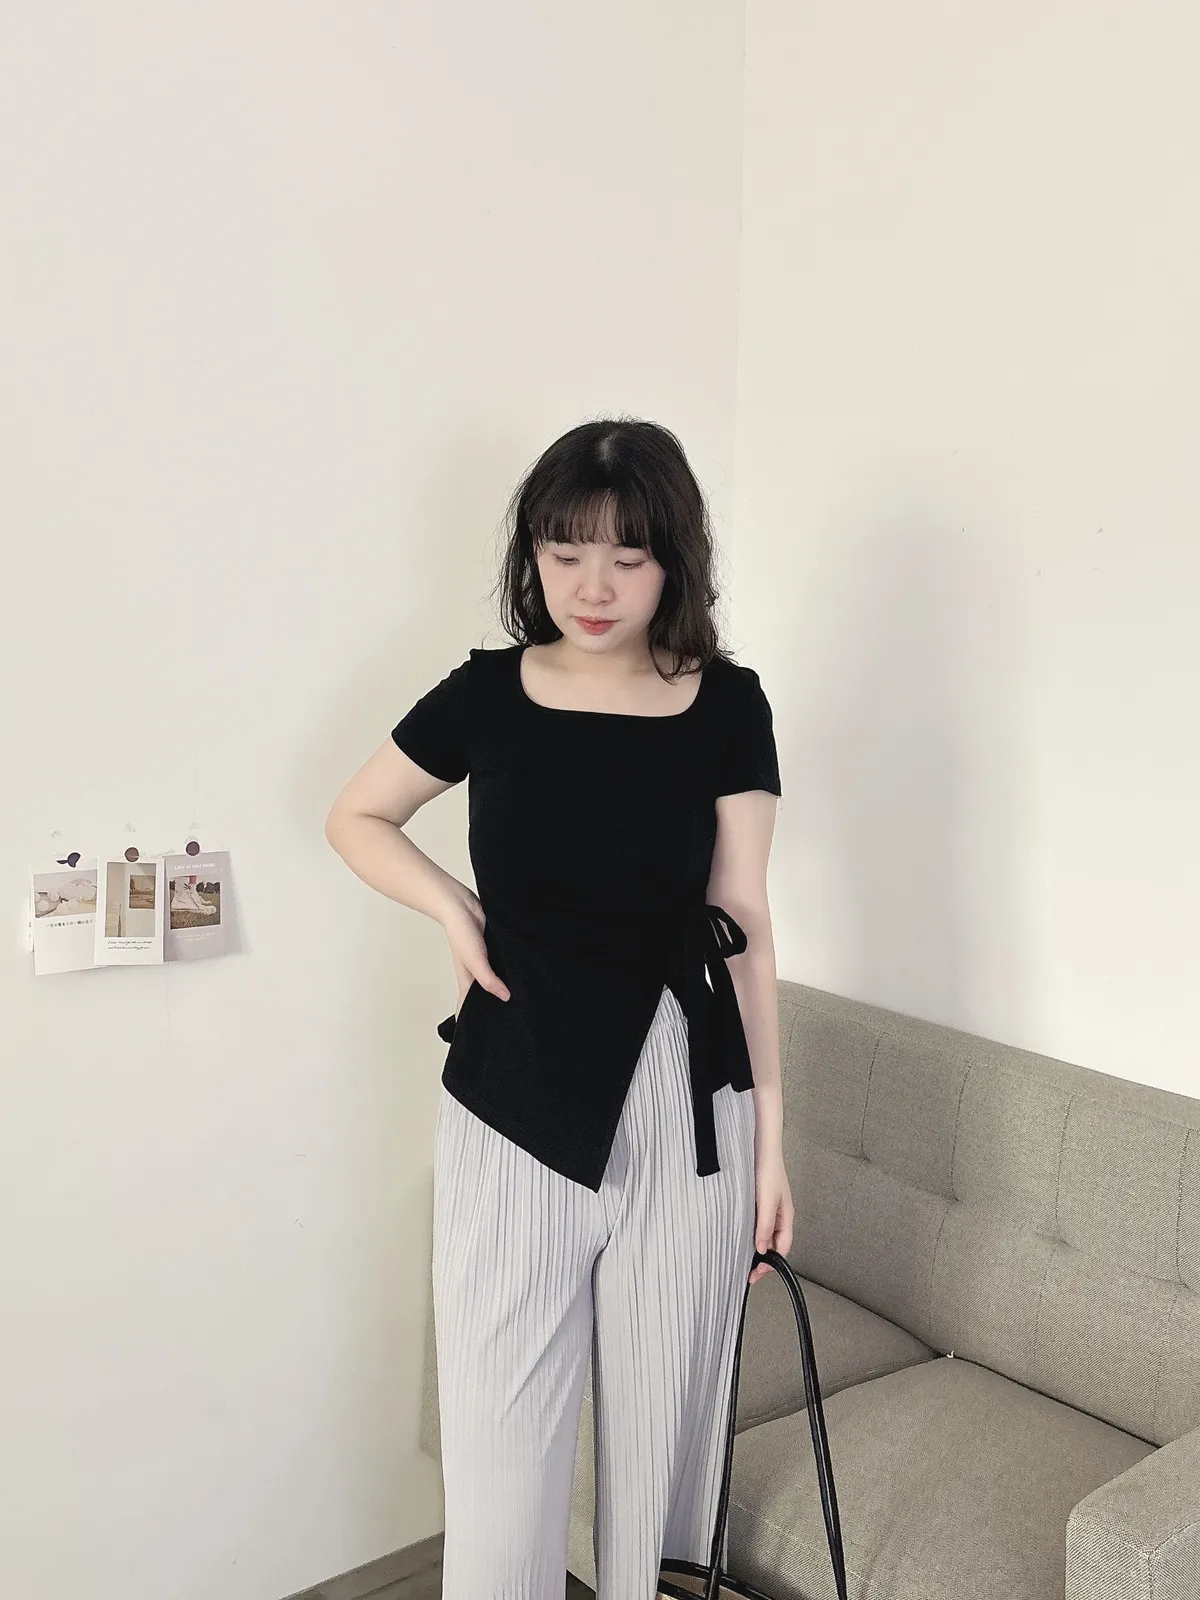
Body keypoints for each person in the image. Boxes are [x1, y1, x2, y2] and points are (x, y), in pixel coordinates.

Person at [324, 417, 793, 1600]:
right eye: (565, 550)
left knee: (667, 1454)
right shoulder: (484, 694)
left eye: (627, 558)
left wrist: (772, 1147)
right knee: (499, 1455)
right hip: (511, 1093)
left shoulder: (728, 705)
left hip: (689, 1108)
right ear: (531, 553)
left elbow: (744, 918)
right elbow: (356, 816)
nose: (592, 586)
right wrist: (452, 907)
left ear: (674, 563)